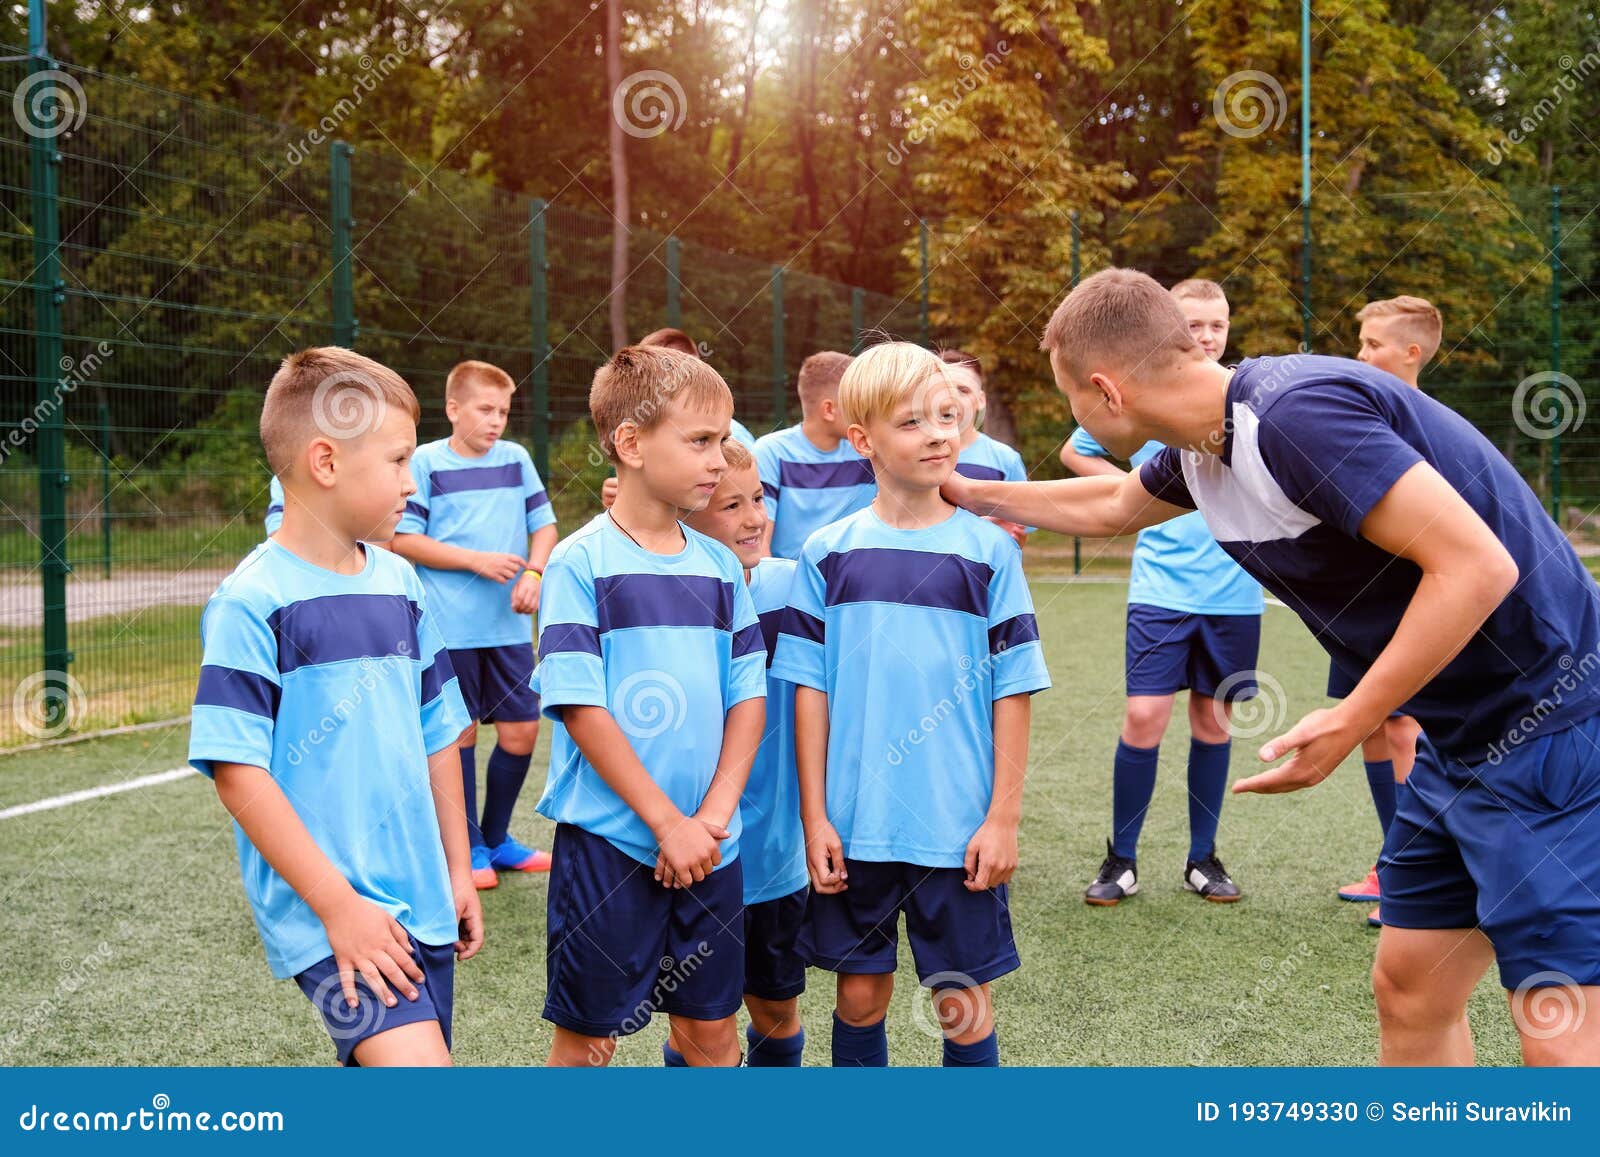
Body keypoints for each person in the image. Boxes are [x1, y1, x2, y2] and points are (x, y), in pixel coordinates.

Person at [944, 267, 1600, 1066]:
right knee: (1410, 988)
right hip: (1458, 741)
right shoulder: (1199, 449)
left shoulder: (1295, 416)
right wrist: (959, 491)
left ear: (1105, 391)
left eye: (1070, 396)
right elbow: (1112, 507)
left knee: (1555, 1019)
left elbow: (1476, 568)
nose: (1072, 413)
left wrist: (1353, 717)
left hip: (1553, 728)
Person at [189, 347, 481, 1066]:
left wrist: (456, 866)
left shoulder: (401, 582)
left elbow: (440, 731)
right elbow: (239, 775)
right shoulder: (252, 601)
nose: (412, 483)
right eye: (397, 460)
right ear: (325, 462)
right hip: (334, 912)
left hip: (422, 895)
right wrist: (337, 905)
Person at [771, 342, 1051, 1067]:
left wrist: (1002, 816)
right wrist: (816, 816)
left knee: (961, 1002)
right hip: (856, 826)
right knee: (859, 998)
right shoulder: (827, 554)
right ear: (862, 439)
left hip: (959, 827)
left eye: (948, 416)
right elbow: (810, 689)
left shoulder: (990, 552)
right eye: (912, 421)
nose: (937, 433)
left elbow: (1013, 688)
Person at [534, 345, 766, 1067]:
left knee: (712, 1034)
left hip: (710, 845)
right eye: (700, 441)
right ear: (630, 444)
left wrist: (710, 820)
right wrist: (665, 823)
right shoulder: (580, 563)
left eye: (724, 441)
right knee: (589, 1039)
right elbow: (582, 708)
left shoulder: (722, 567)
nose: (719, 462)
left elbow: (747, 697)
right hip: (611, 846)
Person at [1058, 279, 1262, 905]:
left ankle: (1203, 858)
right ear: (1169, 328)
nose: (1205, 335)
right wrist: (1140, 488)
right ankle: (1121, 859)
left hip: (1234, 596)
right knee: (1145, 716)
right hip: (1161, 591)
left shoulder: (1239, 399)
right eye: (1192, 324)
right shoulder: (1146, 398)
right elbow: (1074, 449)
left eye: (1216, 325)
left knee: (1213, 719)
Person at [391, 360, 558, 889]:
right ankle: (469, 848)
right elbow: (403, 540)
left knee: (521, 731)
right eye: (486, 410)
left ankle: (498, 837)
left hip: (508, 628)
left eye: (504, 411)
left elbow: (545, 527)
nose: (497, 421)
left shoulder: (516, 459)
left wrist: (534, 572)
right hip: (450, 629)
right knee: (458, 735)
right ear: (454, 409)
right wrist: (476, 560)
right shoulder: (424, 462)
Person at [678, 438, 809, 1067]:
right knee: (700, 1026)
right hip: (689, 853)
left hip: (777, 857)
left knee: (776, 1012)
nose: (754, 517)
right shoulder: (667, 600)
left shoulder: (797, 588)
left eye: (758, 498)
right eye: (731, 505)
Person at [1333, 296, 1444, 925]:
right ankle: (1389, 864)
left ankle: (1412, 878)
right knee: (1372, 726)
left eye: (1373, 345)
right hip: (1359, 608)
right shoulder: (1358, 413)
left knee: (1403, 728)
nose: (1361, 355)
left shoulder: (1427, 422)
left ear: (1412, 353)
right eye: (1360, 342)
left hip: (1408, 607)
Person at [754, 351, 874, 559]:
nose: (867, 410)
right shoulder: (771, 453)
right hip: (792, 583)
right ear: (829, 410)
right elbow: (760, 544)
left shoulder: (870, 450)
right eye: (858, 401)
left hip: (857, 581)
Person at [939, 349, 1029, 547]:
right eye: (942, 389)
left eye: (963, 390)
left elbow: (1016, 533)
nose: (952, 399)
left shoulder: (1005, 459)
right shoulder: (913, 458)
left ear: (981, 400)